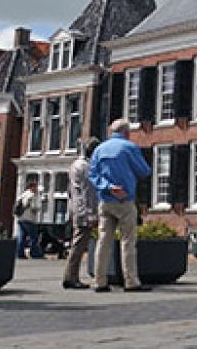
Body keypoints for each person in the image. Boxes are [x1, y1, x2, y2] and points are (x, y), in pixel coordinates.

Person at [89, 119, 152, 292]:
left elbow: (92, 175)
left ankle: (99, 281)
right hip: (124, 200)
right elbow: (145, 171)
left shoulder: (99, 149)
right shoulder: (129, 147)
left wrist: (108, 187)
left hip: (105, 201)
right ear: (127, 132)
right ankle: (131, 281)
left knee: (103, 242)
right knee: (128, 242)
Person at [62, 138, 100, 289]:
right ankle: (70, 277)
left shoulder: (75, 165)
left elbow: (70, 191)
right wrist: (91, 214)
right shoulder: (86, 167)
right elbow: (88, 192)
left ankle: (71, 276)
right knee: (79, 245)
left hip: (77, 209)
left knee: (77, 243)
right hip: (84, 210)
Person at [14, 182, 43, 259]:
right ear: (32, 187)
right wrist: (38, 208)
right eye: (36, 187)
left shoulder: (23, 194)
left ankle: (19, 253)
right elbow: (34, 207)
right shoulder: (32, 195)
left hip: (21, 219)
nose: (37, 189)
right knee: (34, 237)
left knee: (21, 237)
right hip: (29, 219)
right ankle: (34, 253)